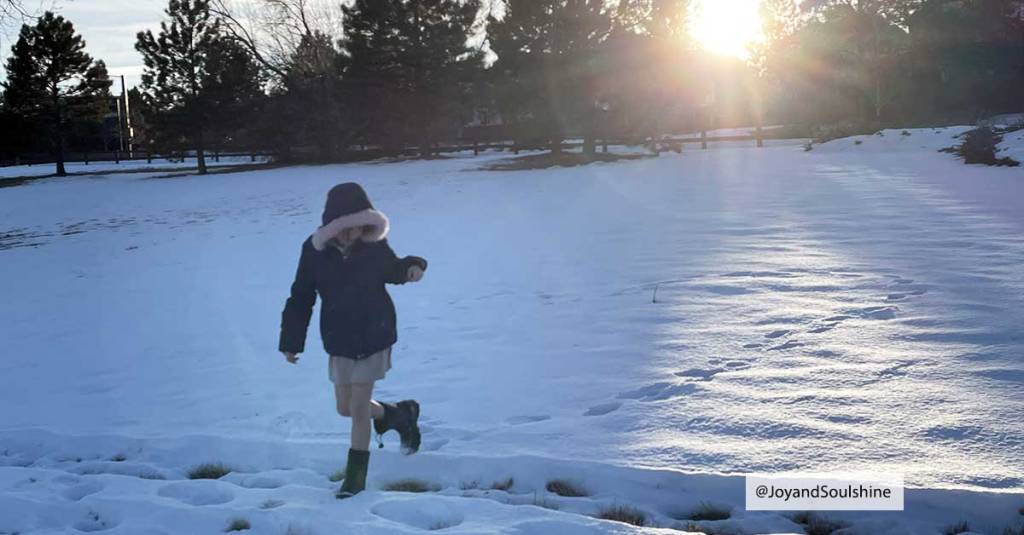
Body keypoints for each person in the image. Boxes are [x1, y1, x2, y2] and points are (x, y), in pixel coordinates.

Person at [279, 182, 427, 499]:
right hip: (339, 337)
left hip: (375, 333)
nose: (354, 234)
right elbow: (301, 296)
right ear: (332, 225)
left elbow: (394, 269)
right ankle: (399, 415)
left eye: (360, 227)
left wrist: (413, 266)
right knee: (345, 408)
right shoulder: (313, 251)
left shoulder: (373, 245)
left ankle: (355, 481)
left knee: (359, 409)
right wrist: (291, 341)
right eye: (347, 228)